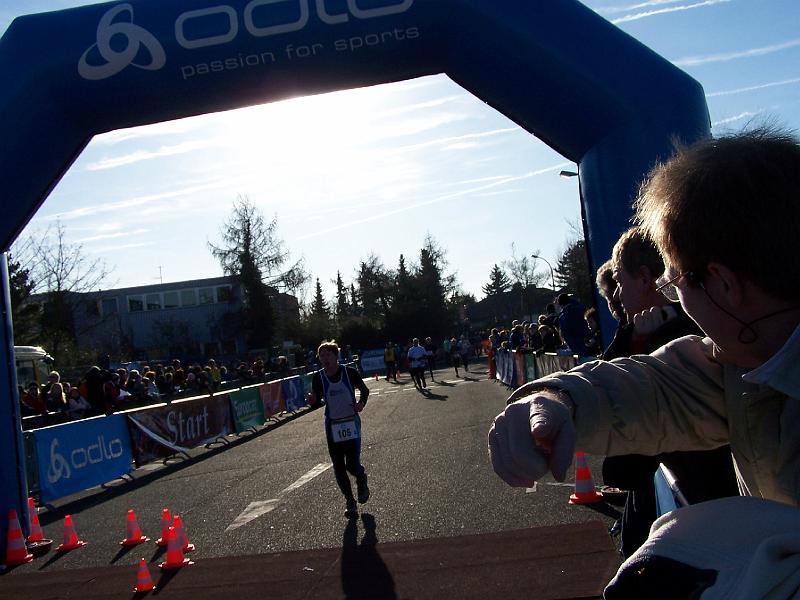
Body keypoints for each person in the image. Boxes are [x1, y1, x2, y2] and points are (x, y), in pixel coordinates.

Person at [488, 129, 800, 593]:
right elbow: (654, 386)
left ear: (724, 284)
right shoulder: (743, 365)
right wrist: (555, 399)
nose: (674, 300)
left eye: (676, 283)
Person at [602, 226, 737, 557]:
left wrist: (636, 350)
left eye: (620, 280)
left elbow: (623, 466)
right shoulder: (714, 330)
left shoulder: (671, 345)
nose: (618, 294)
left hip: (693, 524)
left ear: (646, 278)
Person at [308, 340, 370, 518]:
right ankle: (350, 502)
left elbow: (364, 391)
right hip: (332, 424)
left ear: (336, 356)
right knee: (338, 466)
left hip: (351, 422)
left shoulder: (349, 372)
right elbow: (317, 400)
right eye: (322, 356)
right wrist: (312, 400)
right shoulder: (318, 377)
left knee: (351, 464)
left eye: (328, 355)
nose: (325, 359)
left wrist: (361, 404)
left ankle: (361, 477)